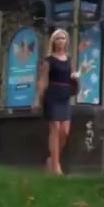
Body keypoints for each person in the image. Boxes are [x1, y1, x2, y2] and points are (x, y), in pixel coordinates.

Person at [33, 29, 79, 176]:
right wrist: (37, 100)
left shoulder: (70, 60)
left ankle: (52, 159)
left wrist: (77, 78)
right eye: (58, 38)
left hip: (65, 96)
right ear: (53, 41)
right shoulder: (48, 61)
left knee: (64, 132)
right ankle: (56, 166)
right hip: (52, 95)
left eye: (63, 38)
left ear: (67, 41)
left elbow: (73, 77)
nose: (60, 41)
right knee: (55, 129)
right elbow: (42, 81)